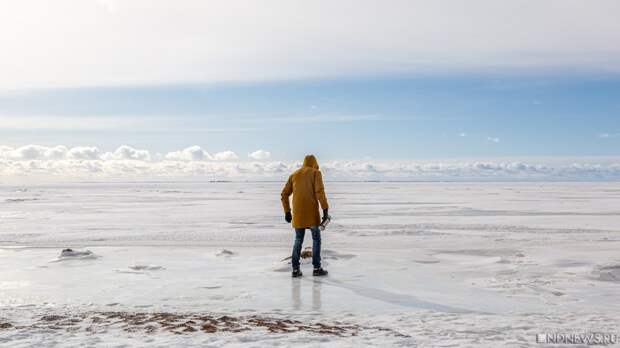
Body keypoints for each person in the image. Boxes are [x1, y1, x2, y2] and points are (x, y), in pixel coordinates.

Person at [281, 155, 329, 278]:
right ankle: (317, 268)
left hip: (298, 214)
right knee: (316, 239)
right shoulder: (315, 173)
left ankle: (295, 270)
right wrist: (325, 210)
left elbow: (284, 194)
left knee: (298, 240)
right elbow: (320, 192)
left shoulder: (294, 175)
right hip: (312, 213)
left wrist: (287, 211)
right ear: (314, 163)